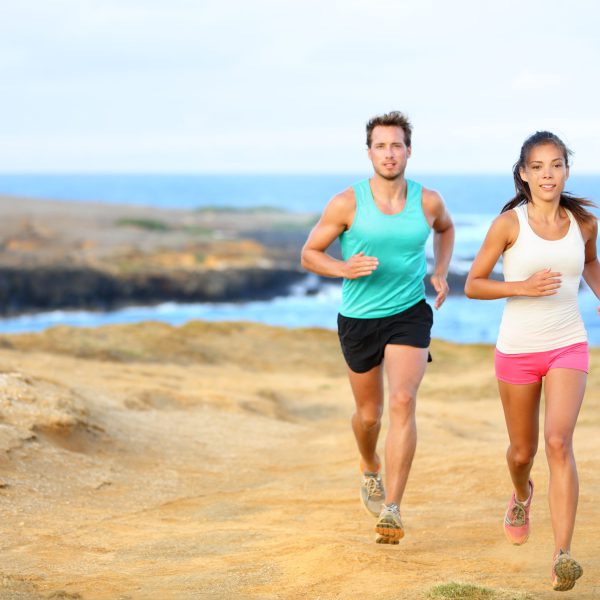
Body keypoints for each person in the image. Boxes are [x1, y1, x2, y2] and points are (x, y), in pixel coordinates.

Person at [301, 111, 454, 543]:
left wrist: (440, 271)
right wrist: (343, 268)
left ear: (409, 150)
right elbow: (309, 254)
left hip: (408, 312)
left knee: (403, 400)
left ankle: (393, 509)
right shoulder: (347, 202)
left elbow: (445, 229)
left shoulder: (428, 201)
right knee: (370, 416)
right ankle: (369, 466)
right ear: (369, 152)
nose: (389, 153)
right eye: (381, 146)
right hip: (359, 320)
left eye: (397, 145)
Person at [464, 131, 600, 591]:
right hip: (518, 349)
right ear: (524, 173)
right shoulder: (509, 224)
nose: (548, 173)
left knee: (558, 441)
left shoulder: (583, 222)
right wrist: (520, 288)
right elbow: (474, 284)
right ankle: (521, 494)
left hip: (568, 343)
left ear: (566, 170)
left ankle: (563, 554)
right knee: (523, 452)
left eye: (556, 164)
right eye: (538, 166)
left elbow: (590, 264)